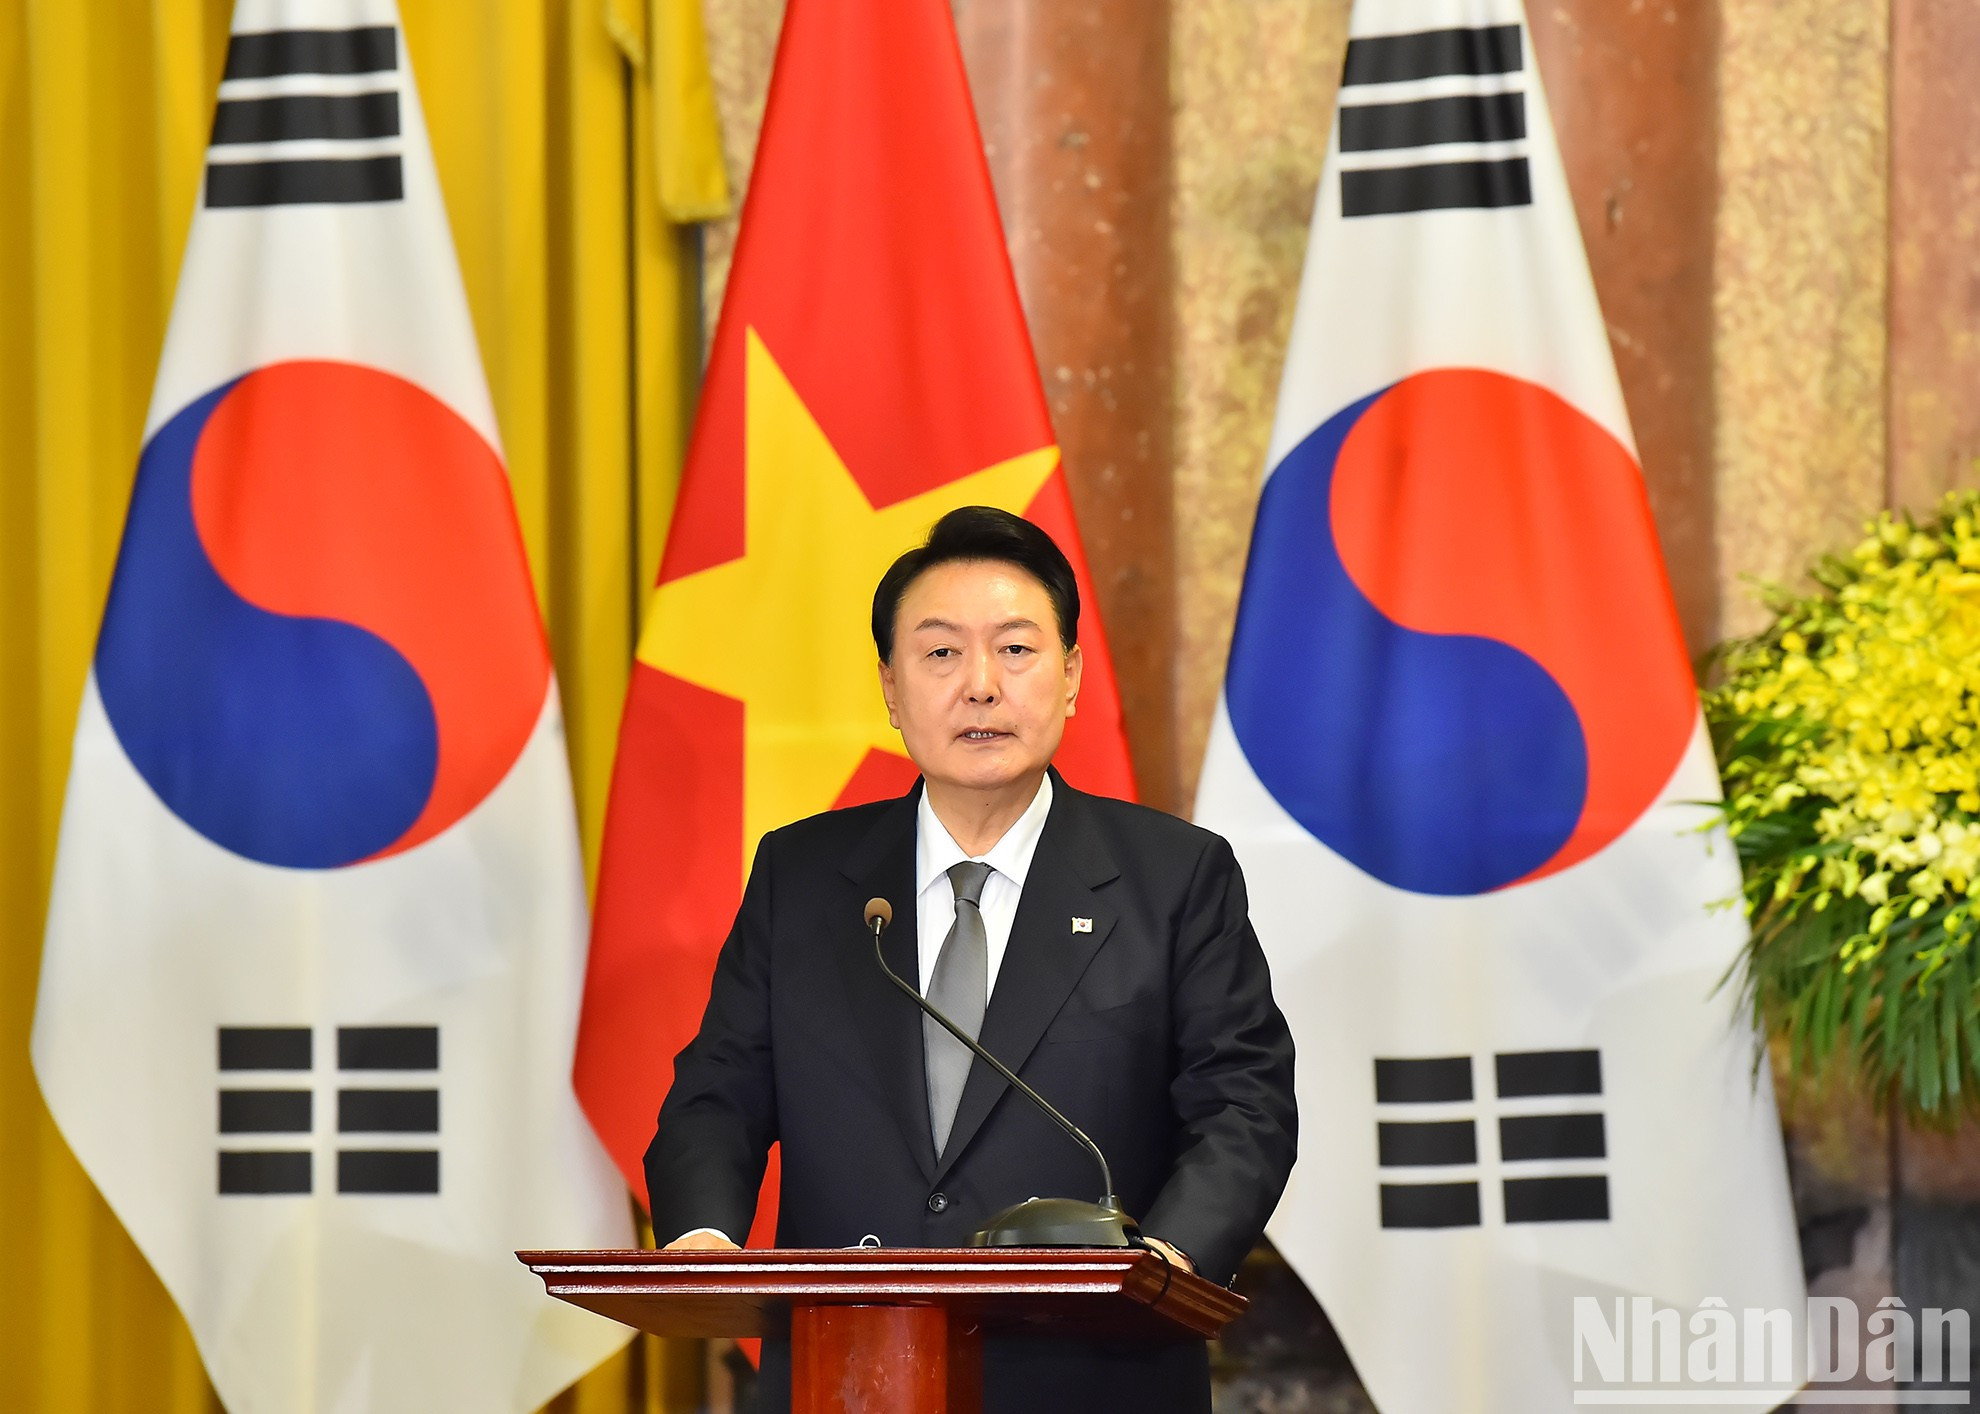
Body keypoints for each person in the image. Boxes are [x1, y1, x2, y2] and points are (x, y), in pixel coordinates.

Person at [644, 505, 1297, 1413]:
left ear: (1070, 677)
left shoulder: (1173, 878)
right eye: (941, 653)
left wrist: (1166, 1263)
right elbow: (719, 1089)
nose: (980, 686)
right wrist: (704, 1235)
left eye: (1017, 650)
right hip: (846, 1375)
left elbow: (1245, 1102)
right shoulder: (802, 878)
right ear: (891, 686)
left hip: (1098, 1378)